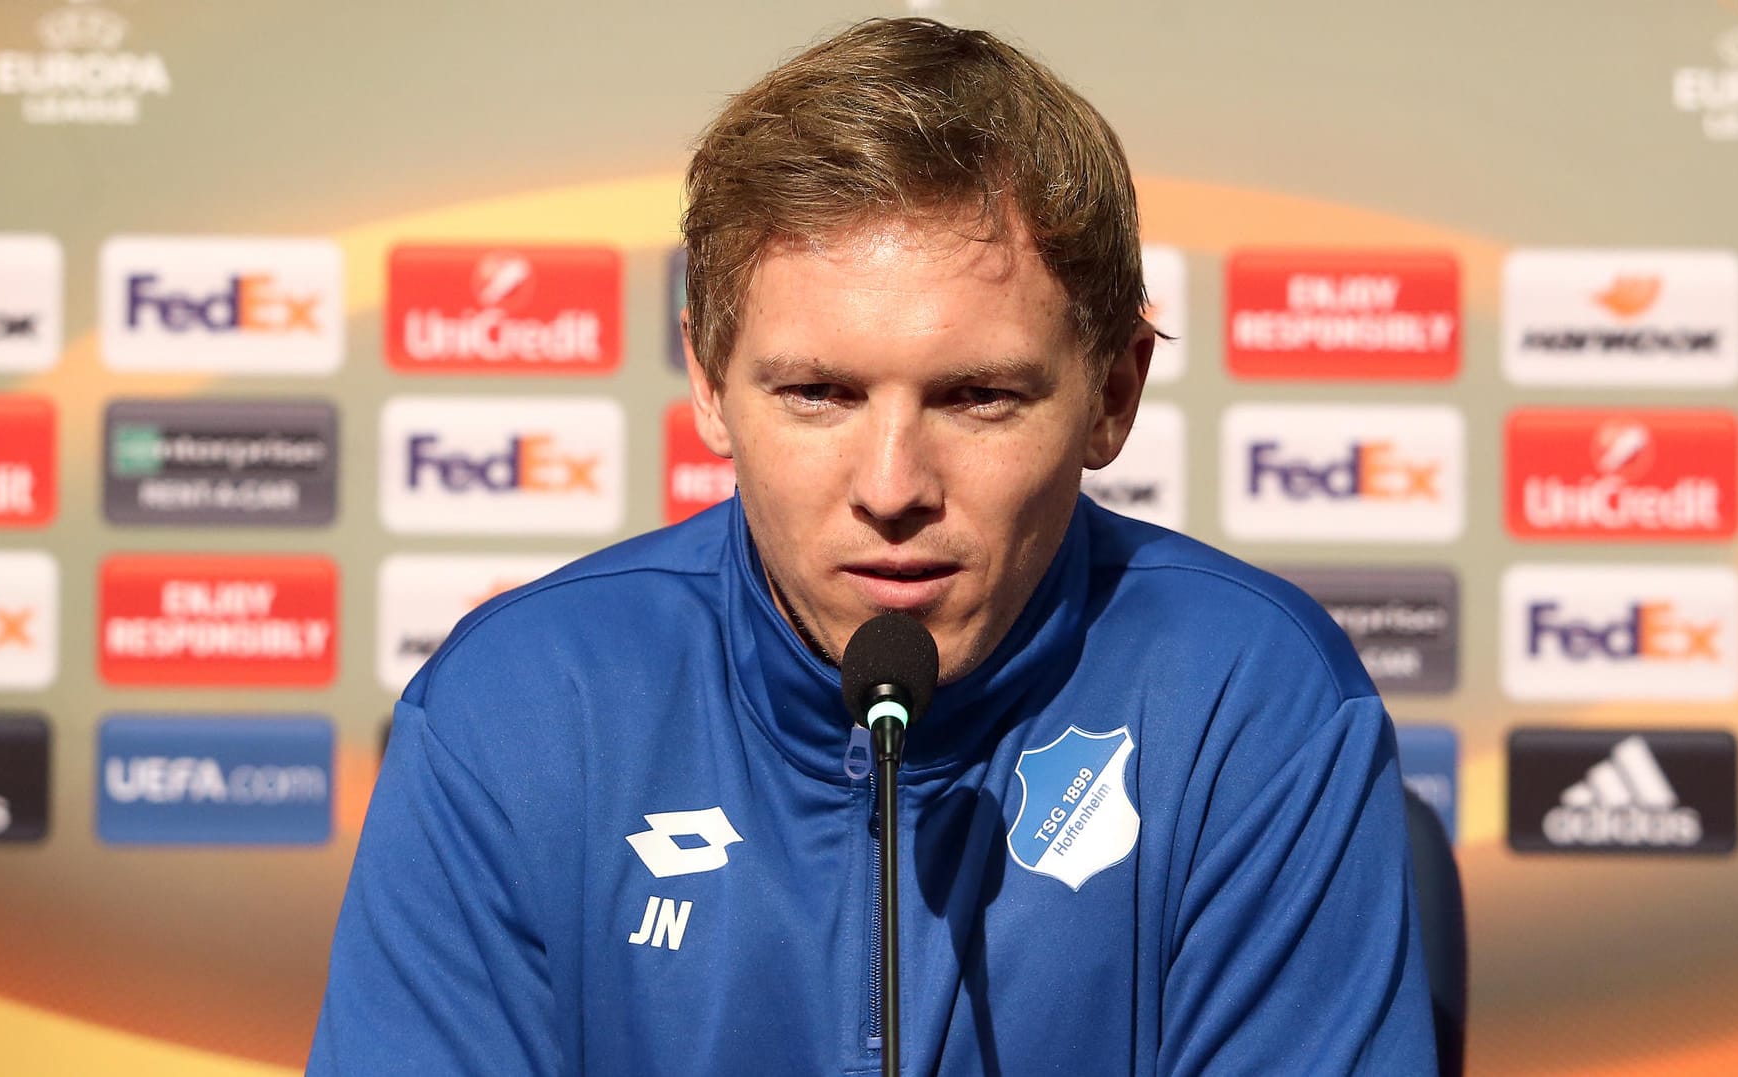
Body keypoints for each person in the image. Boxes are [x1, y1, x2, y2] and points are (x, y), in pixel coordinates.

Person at [310, 17, 1436, 1075]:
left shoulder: (1254, 703)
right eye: (817, 393)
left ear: (1113, 395)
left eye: (979, 397)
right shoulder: (516, 709)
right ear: (708, 385)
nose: (892, 488)